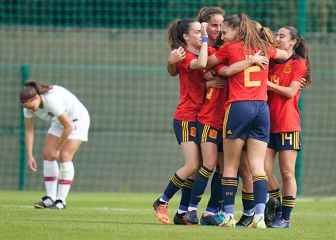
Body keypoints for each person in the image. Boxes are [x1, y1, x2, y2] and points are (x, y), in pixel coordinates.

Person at [208, 13, 291, 228]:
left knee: (230, 165)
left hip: (239, 106)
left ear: (237, 30)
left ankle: (227, 215)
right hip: (262, 109)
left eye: (225, 31)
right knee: (257, 166)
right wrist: (267, 37)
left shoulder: (230, 48)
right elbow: (284, 54)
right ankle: (260, 217)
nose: (222, 35)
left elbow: (208, 62)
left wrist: (219, 65)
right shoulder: (263, 47)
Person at [152, 19, 209, 224]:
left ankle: (183, 212)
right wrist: (205, 38)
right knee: (193, 164)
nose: (201, 33)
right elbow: (201, 64)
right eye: (196, 31)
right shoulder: (184, 54)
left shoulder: (198, 52)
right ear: (186, 36)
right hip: (186, 116)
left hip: (202, 116)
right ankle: (162, 200)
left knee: (199, 166)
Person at [265, 26, 310, 228]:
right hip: (266, 124)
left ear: (292, 42)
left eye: (281, 36)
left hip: (287, 124)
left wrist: (265, 83)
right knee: (262, 169)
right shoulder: (271, 62)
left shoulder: (299, 63)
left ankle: (285, 218)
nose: (277, 38)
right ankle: (276, 202)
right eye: (276, 34)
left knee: (287, 173)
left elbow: (290, 93)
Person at [20, 81, 90, 209]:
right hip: (59, 122)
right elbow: (29, 131)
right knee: (48, 154)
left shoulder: (51, 101)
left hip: (77, 120)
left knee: (64, 156)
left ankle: (61, 200)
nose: (30, 109)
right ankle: (50, 198)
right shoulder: (27, 107)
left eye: (31, 106)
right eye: (26, 107)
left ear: (36, 97)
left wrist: (58, 148)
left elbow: (68, 126)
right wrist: (30, 156)